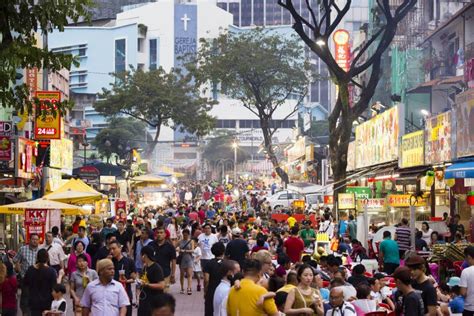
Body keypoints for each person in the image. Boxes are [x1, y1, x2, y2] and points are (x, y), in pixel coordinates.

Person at [23, 248, 57, 316]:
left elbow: (25, 284)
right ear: (47, 258)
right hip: (47, 303)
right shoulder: (51, 271)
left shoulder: (30, 269)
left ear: (37, 257)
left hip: (33, 303)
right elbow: (54, 288)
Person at [14, 233, 39, 315]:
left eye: (36, 239)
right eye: (33, 239)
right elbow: (16, 260)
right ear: (29, 240)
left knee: (35, 298)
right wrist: (20, 271)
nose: (35, 241)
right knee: (25, 298)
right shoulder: (23, 249)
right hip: (25, 278)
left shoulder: (40, 251)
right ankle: (25, 313)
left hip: (37, 279)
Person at [109, 240, 135, 316]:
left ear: (120, 248)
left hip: (125, 294)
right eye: (110, 249)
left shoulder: (129, 261)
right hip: (112, 294)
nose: (112, 251)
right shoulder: (109, 262)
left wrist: (127, 281)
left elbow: (134, 278)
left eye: (114, 249)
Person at [138, 245, 165, 315]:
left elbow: (161, 285)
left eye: (141, 254)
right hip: (144, 300)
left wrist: (147, 285)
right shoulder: (145, 267)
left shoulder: (156, 268)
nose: (140, 257)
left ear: (144, 255)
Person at [150, 227, 177, 292]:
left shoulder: (170, 247)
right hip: (152, 274)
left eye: (161, 233)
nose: (159, 234)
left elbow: (173, 261)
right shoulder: (151, 245)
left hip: (165, 274)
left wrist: (173, 274)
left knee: (164, 295)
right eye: (158, 233)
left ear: (165, 234)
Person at [204, 242, 226, 316]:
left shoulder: (209, 264)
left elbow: (206, 280)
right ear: (223, 251)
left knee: (209, 311)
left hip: (211, 290)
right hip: (224, 291)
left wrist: (205, 291)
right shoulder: (227, 264)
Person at [177, 228, 194, 295]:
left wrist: (185, 251)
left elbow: (192, 250)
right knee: (182, 274)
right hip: (182, 259)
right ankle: (182, 288)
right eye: (184, 235)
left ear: (189, 235)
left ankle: (189, 288)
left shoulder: (191, 241)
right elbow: (174, 247)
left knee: (189, 274)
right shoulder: (180, 241)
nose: (185, 236)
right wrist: (178, 249)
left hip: (189, 258)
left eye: (186, 235)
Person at [460, 245, 474, 315]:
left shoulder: (465, 271)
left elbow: (463, 293)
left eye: (465, 258)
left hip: (469, 309)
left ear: (469, 257)